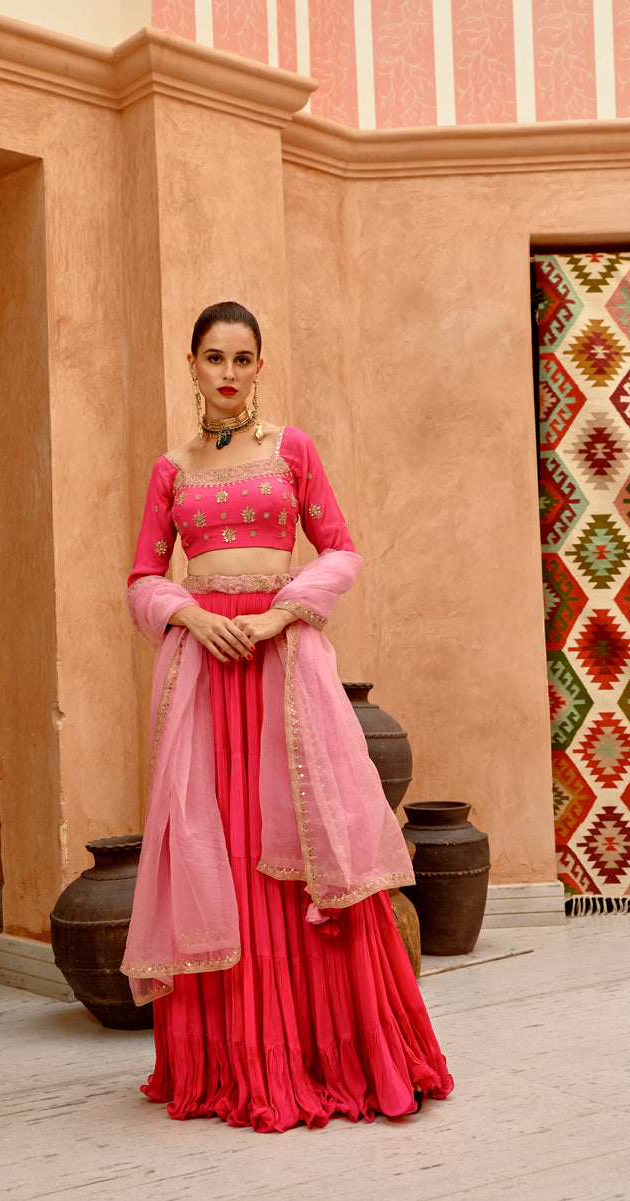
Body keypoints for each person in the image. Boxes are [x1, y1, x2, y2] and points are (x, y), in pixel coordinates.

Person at [121, 301, 453, 1132]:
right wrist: (193, 616)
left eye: (242, 358)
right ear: (191, 366)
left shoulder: (291, 449)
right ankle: (229, 1061)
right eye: (213, 358)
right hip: (205, 676)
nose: (228, 374)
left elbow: (340, 547)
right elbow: (140, 578)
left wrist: (278, 614)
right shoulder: (172, 469)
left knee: (309, 847)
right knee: (217, 847)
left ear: (260, 367)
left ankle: (342, 1053)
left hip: (279, 668)